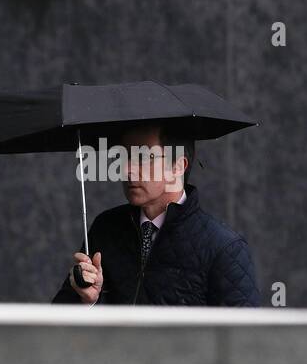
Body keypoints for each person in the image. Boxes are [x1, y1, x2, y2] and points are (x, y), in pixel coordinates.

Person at [52, 121, 260, 306]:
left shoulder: (223, 248)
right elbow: (55, 326)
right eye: (123, 156)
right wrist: (88, 299)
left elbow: (244, 340)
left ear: (178, 166)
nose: (128, 169)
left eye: (143, 157)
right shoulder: (106, 228)